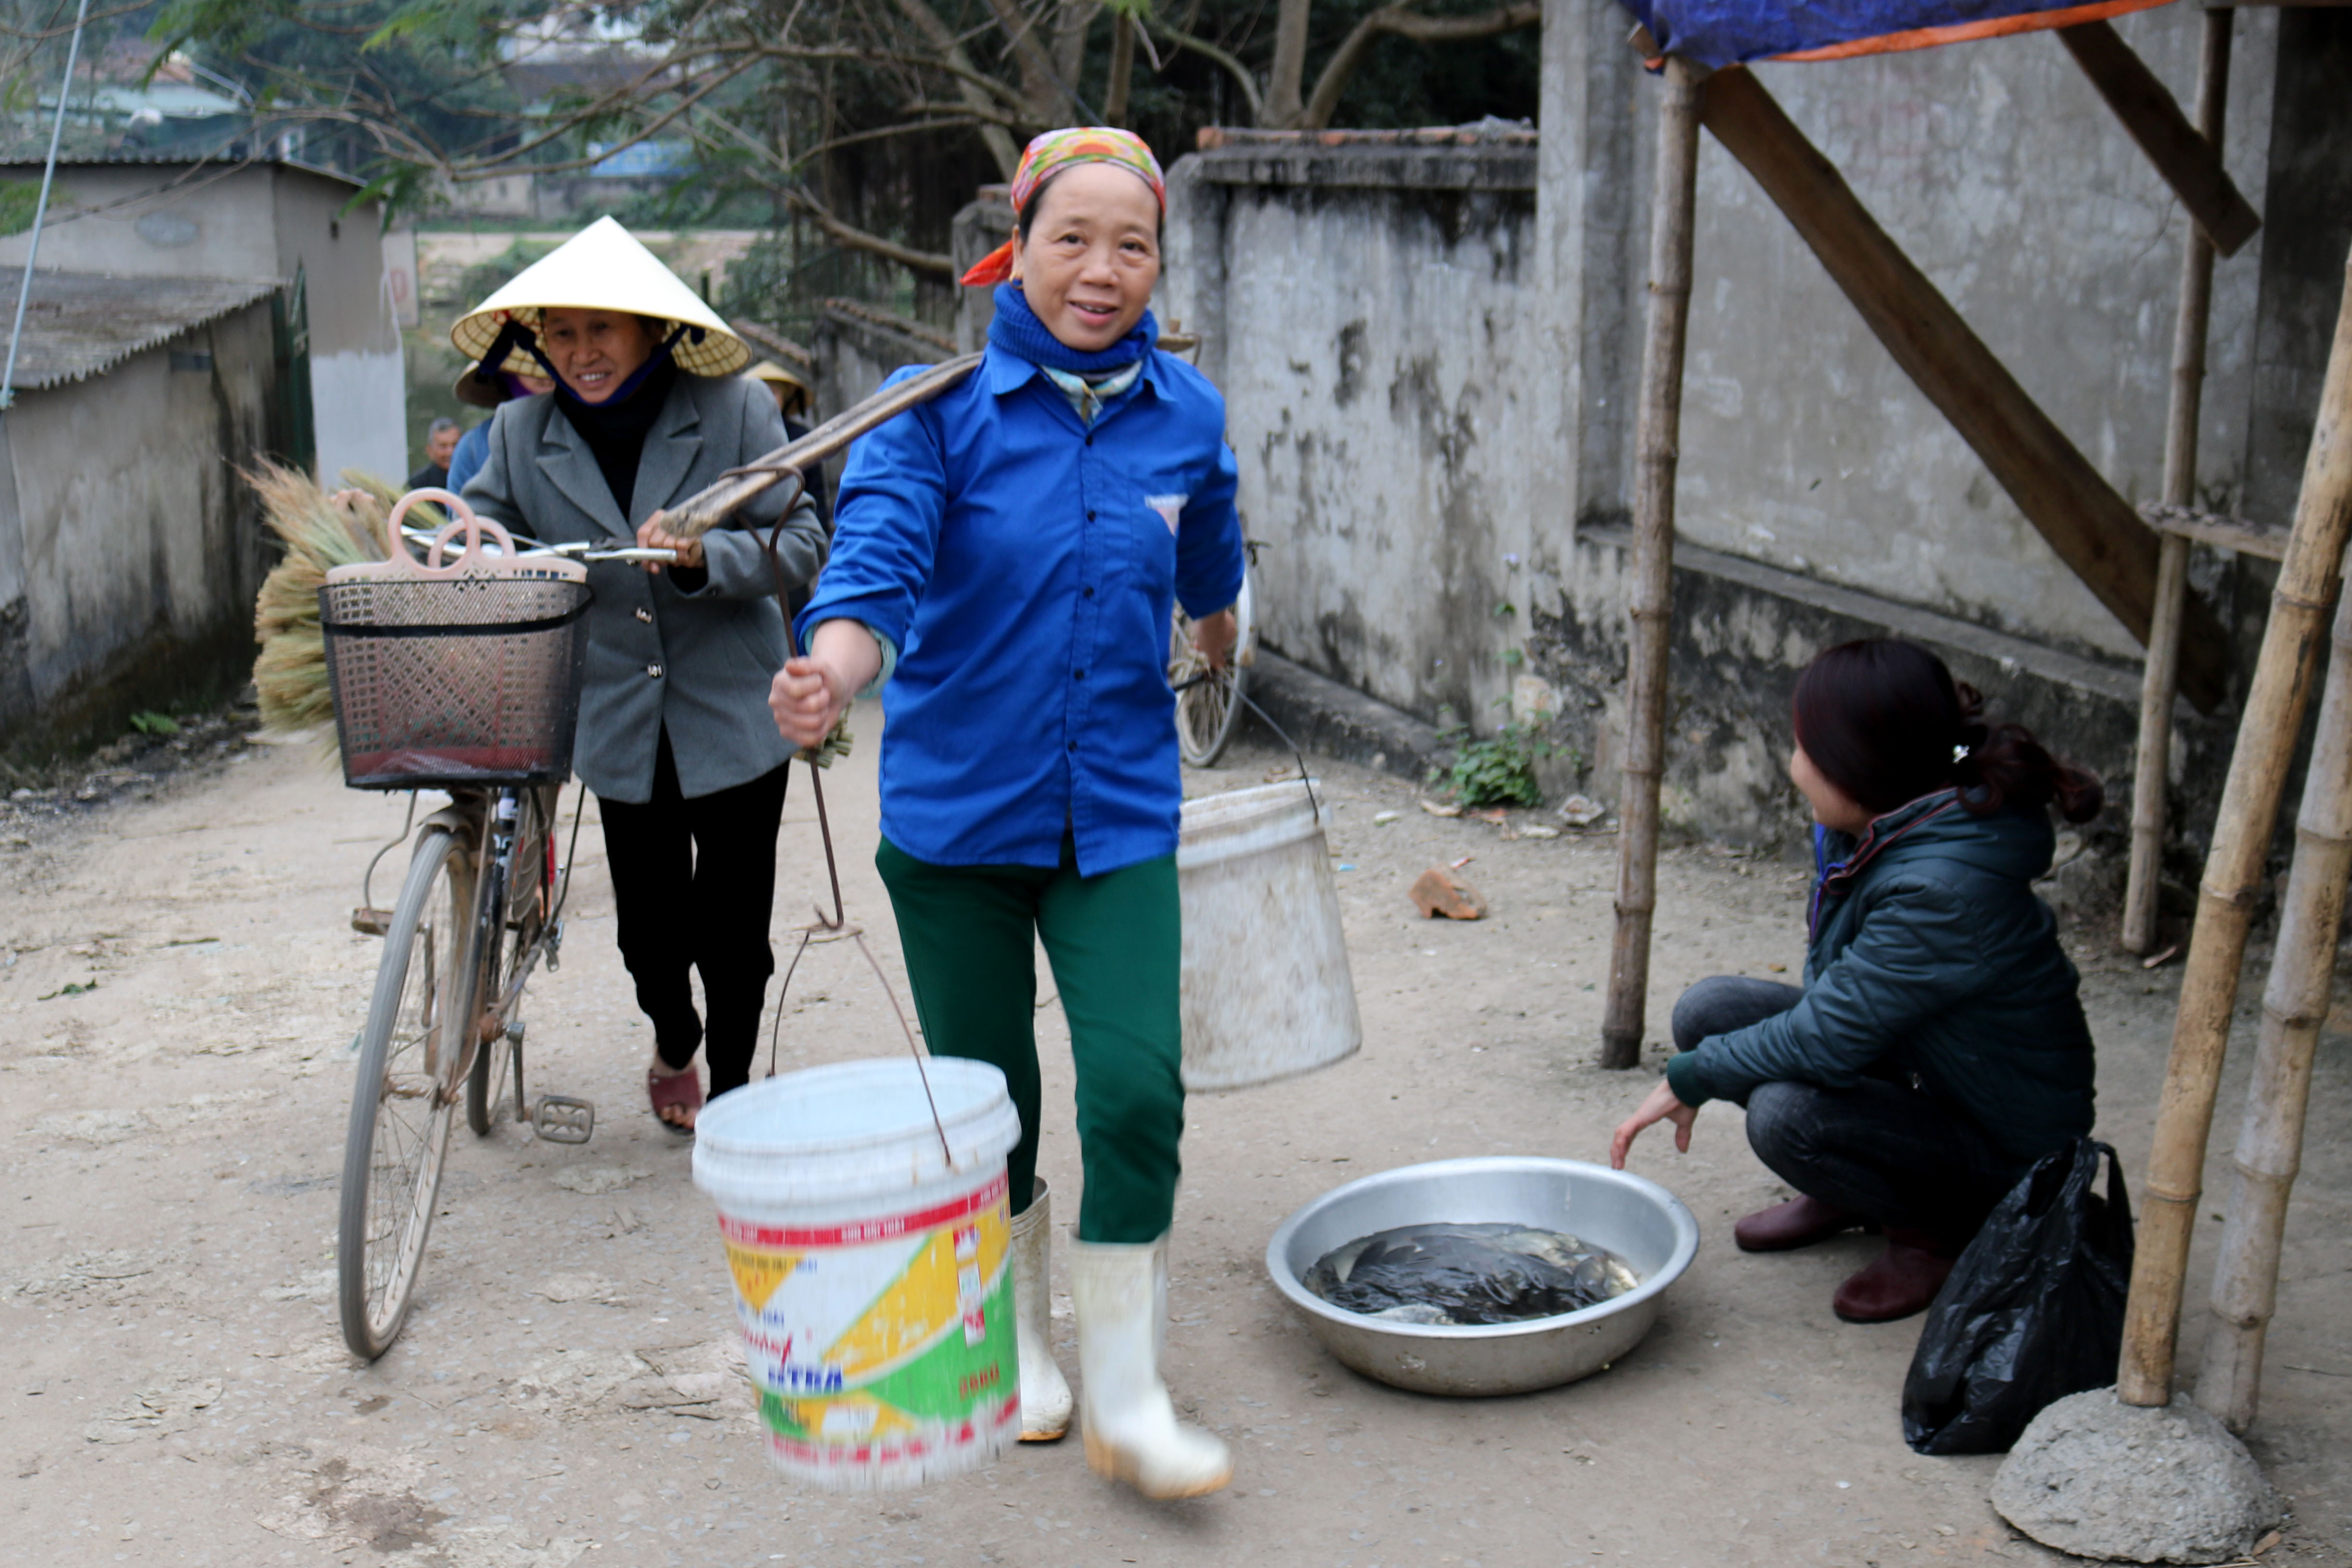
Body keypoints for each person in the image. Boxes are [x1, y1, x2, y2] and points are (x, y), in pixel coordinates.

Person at [768, 127, 1244, 1500]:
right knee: (994, 1110)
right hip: (959, 822)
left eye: (1132, 244)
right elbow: (876, 575)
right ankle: (1020, 1344)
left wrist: (1216, 642)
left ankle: (1129, 1388)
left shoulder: (1188, 414)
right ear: (1015, 247)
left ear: (1159, 259)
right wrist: (832, 676)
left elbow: (1210, 567)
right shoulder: (934, 409)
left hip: (1119, 815)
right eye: (1071, 239)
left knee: (1141, 1089)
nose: (1101, 272)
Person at [455, 216, 827, 1134]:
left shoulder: (739, 411)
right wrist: (481, 563)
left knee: (734, 932)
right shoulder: (517, 432)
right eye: (563, 333)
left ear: (654, 331)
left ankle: (735, 1098)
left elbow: (804, 541)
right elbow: (480, 538)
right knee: (649, 936)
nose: (582, 353)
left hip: (735, 709)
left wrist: (708, 560)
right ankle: (675, 1030)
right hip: (618, 716)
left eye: (602, 331)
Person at [1609, 638, 2101, 1324]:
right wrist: (1709, 1060)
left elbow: (1824, 1039)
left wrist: (1692, 1076)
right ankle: (1853, 1189)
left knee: (1787, 1114)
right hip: (1931, 1075)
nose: (1795, 766)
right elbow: (1838, 1001)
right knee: (1710, 1010)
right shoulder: (1890, 816)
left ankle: (1934, 1232)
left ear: (1859, 767)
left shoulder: (1942, 889)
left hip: (2013, 1154)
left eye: (1806, 750)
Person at [445, 361, 554, 495]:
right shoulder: (474, 446)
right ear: (507, 375)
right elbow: (461, 511)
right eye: (531, 364)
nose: (545, 374)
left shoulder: (581, 431)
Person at [407, 416, 460, 491]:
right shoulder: (417, 486)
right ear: (430, 451)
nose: (450, 452)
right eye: (443, 446)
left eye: (455, 445)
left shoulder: (474, 479)